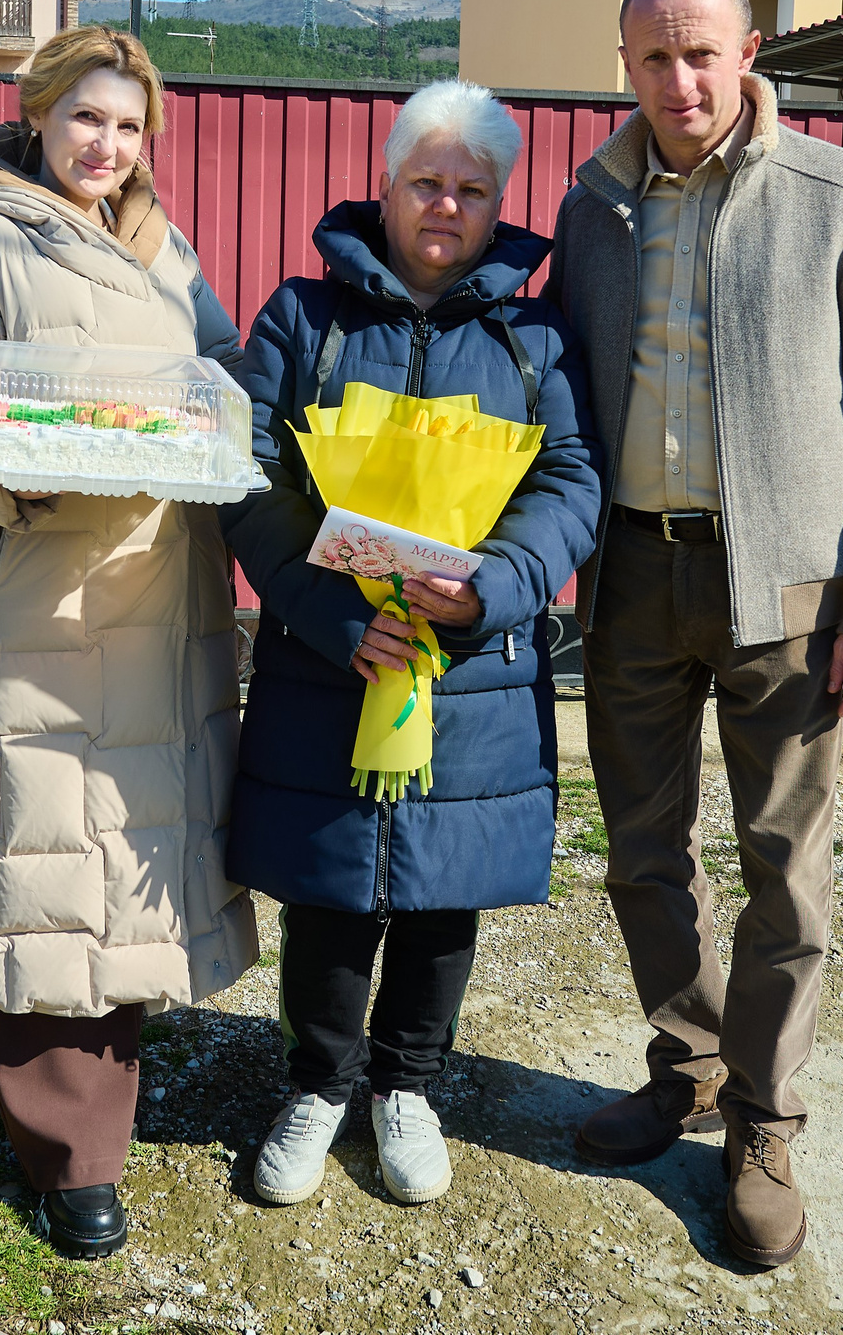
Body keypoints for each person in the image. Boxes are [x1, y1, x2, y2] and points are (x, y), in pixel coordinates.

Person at [548, 0, 843, 1266]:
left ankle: (765, 1119)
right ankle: (691, 1065)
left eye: (701, 52)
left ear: (750, 50)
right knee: (641, 853)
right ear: (626, 64)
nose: (681, 81)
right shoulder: (593, 209)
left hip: (786, 591)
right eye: (655, 58)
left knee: (785, 867)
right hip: (633, 578)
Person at [220, 79, 602, 1208]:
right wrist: (339, 615)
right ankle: (317, 1084)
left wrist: (492, 590)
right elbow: (250, 474)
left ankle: (408, 1086)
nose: (446, 205)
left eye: (472, 190)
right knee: (329, 887)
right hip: (331, 658)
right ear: (384, 186)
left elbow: (571, 480)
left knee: (444, 890)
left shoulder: (536, 335)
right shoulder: (305, 318)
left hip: (472, 665)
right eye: (426, 181)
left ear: (499, 204)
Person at [0, 24, 257, 1260]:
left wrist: (225, 424)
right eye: (84, 119)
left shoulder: (167, 251)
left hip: (159, 592)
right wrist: (34, 467)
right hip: (38, 599)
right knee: (41, 857)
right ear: (39, 116)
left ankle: (110, 1084)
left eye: (126, 124)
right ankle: (68, 1153)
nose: (105, 145)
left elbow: (224, 374)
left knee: (130, 844)